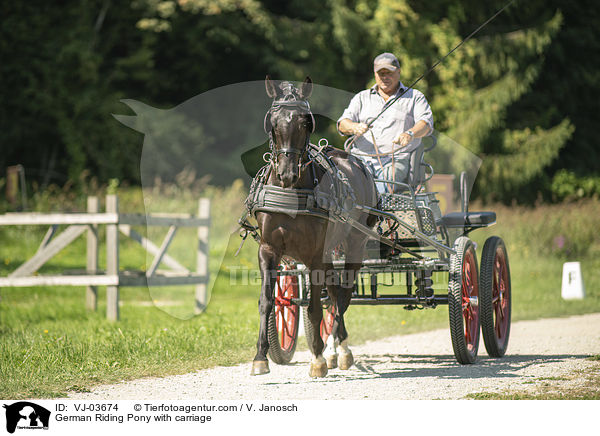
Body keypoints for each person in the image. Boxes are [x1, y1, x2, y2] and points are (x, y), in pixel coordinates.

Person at [337, 52, 434, 192]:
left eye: (389, 73)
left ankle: (371, 208)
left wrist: (410, 134)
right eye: (381, 74)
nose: (385, 78)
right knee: (340, 185)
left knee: (381, 187)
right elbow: (342, 124)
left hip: (396, 160)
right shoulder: (361, 98)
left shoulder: (414, 97)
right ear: (375, 74)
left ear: (399, 72)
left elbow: (426, 124)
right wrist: (353, 127)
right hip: (361, 160)